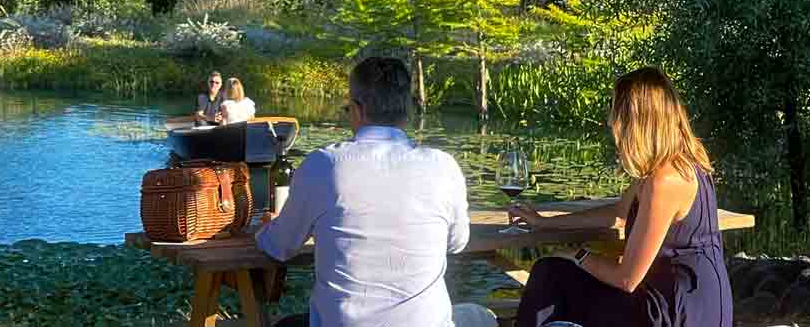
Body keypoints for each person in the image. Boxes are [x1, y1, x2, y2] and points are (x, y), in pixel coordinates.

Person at [256, 57, 497, 327]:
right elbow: (457, 242)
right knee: (482, 316)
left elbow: (279, 247)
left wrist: (270, 226)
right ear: (408, 110)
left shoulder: (324, 165)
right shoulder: (444, 167)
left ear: (357, 110)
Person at [509, 66, 732, 327]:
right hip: (682, 298)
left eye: (615, 111)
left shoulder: (665, 179)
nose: (610, 122)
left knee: (551, 276)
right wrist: (544, 221)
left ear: (636, 120)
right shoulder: (675, 163)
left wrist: (577, 255)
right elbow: (617, 214)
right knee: (553, 274)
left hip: (678, 311)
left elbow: (627, 279)